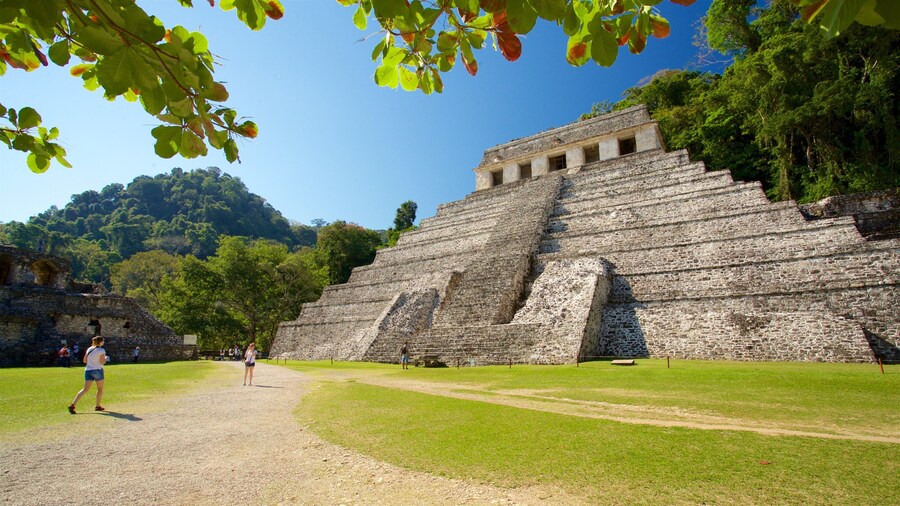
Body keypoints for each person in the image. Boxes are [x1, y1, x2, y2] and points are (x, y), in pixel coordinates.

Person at [68, 336, 107, 414]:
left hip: (88, 370)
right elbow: (102, 362)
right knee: (100, 389)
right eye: (103, 341)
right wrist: (105, 359)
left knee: (85, 389)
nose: (103, 342)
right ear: (100, 342)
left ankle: (73, 405)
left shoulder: (89, 349)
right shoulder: (101, 350)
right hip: (97, 370)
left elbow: (84, 360)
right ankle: (97, 406)